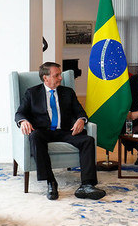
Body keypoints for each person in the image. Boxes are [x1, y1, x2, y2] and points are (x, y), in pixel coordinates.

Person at [15, 62, 106, 200]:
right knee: (35, 136)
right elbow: (20, 113)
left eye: (60, 75)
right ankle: (51, 182)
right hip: (43, 132)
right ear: (45, 78)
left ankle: (87, 185)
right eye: (56, 75)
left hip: (65, 131)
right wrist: (23, 121)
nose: (60, 78)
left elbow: (81, 112)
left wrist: (81, 119)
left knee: (88, 140)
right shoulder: (32, 93)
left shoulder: (67, 92)